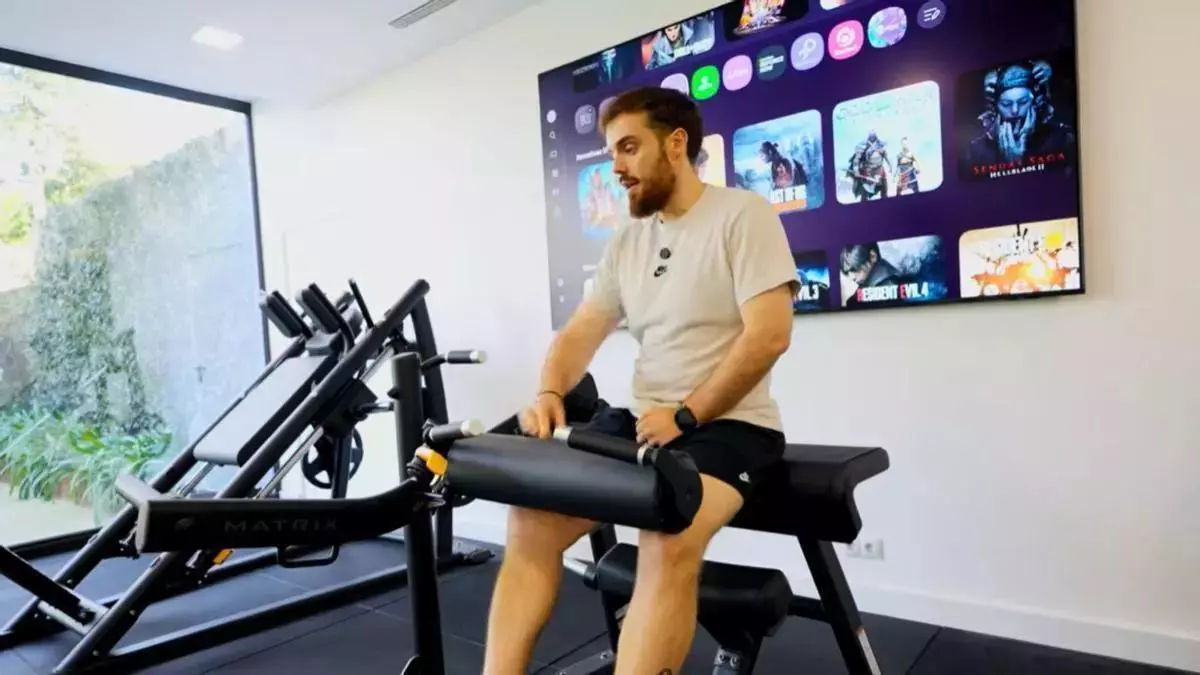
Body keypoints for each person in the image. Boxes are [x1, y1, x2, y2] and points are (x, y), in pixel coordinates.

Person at [482, 86, 797, 675]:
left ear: (676, 145)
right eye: (611, 153)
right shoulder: (628, 241)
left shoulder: (741, 214)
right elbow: (581, 331)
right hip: (642, 421)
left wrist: (687, 415)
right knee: (530, 520)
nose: (616, 167)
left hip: (729, 426)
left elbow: (769, 335)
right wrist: (550, 391)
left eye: (628, 148)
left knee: (666, 536)